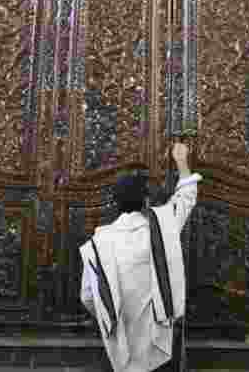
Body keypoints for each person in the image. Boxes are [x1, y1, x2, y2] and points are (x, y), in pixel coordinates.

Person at [79, 141, 201, 372]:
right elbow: (185, 199)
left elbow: (87, 296)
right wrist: (182, 162)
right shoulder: (159, 231)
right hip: (159, 344)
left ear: (115, 203)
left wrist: (111, 316)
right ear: (146, 201)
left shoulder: (97, 244)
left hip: (120, 345)